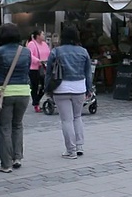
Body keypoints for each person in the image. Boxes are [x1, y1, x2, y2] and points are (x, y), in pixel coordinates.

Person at [0, 23, 31, 173]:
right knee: (17, 125)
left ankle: (6, 164)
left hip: (4, 93)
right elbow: (28, 70)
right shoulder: (26, 51)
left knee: (4, 127)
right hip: (24, 92)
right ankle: (17, 157)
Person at [44, 26, 92, 159]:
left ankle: (71, 150)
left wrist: (47, 89)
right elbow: (88, 73)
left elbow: (49, 73)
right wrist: (89, 88)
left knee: (66, 120)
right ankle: (79, 146)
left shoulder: (56, 51)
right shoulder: (83, 51)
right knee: (77, 117)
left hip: (61, 88)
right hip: (79, 88)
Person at [26, 29, 50, 113]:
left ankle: (36, 101)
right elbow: (29, 55)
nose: (44, 36)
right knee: (35, 86)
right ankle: (36, 104)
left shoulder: (45, 44)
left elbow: (49, 54)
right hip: (34, 68)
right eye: (42, 34)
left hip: (43, 68)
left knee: (45, 86)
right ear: (38, 36)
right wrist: (38, 60)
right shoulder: (31, 44)